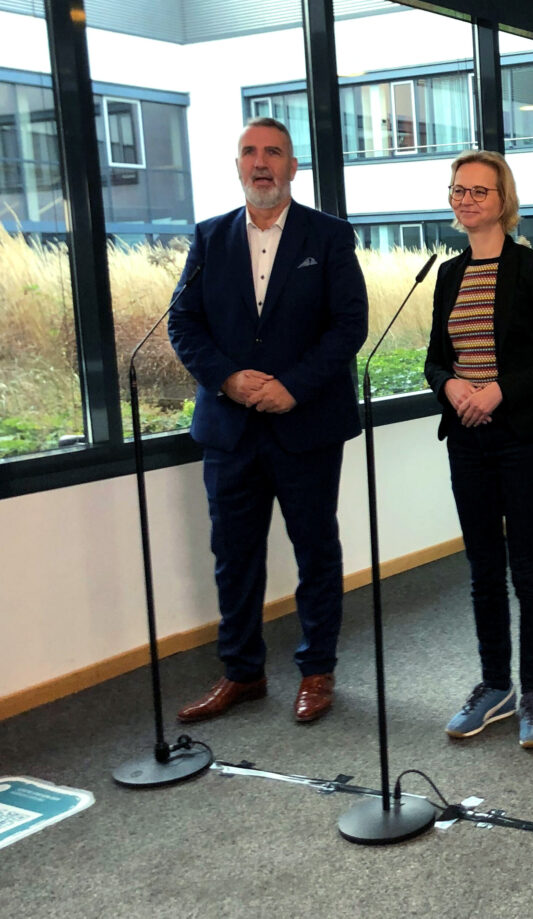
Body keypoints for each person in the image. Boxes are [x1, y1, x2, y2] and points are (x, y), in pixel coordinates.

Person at [169, 117, 368, 724]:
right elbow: (183, 324)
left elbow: (348, 325)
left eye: (273, 152)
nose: (261, 163)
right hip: (229, 428)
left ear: (292, 166)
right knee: (233, 555)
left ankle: (316, 671)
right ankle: (242, 672)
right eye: (250, 153)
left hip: (303, 424)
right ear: (236, 166)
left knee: (315, 550)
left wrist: (292, 388)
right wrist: (227, 379)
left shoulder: (328, 236)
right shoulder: (208, 238)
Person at [424, 151, 533, 749]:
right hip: (467, 441)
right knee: (483, 570)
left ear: (502, 201)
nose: (466, 200)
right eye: (458, 190)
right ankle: (495, 686)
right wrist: (452, 385)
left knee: (528, 569)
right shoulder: (447, 274)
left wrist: (497, 392)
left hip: (524, 440)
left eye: (478, 192)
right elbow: (437, 358)